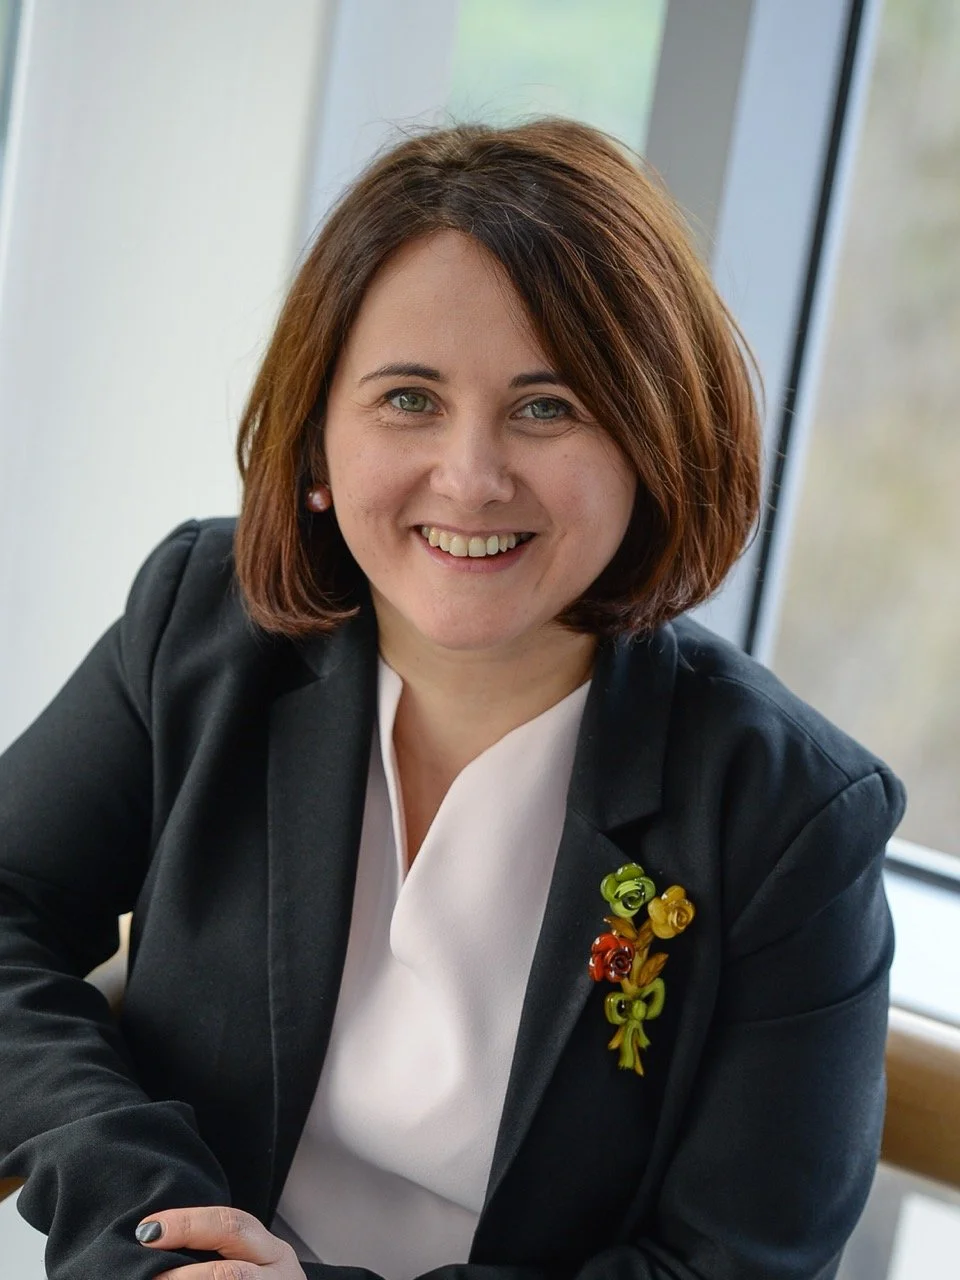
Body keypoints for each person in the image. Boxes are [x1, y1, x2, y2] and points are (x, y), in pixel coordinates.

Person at [0, 116, 905, 1280]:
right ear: (319, 436)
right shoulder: (203, 625)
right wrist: (153, 1223)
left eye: (547, 407)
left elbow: (736, 1264)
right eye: (409, 399)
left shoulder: (789, 818)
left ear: (653, 439)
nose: (471, 476)